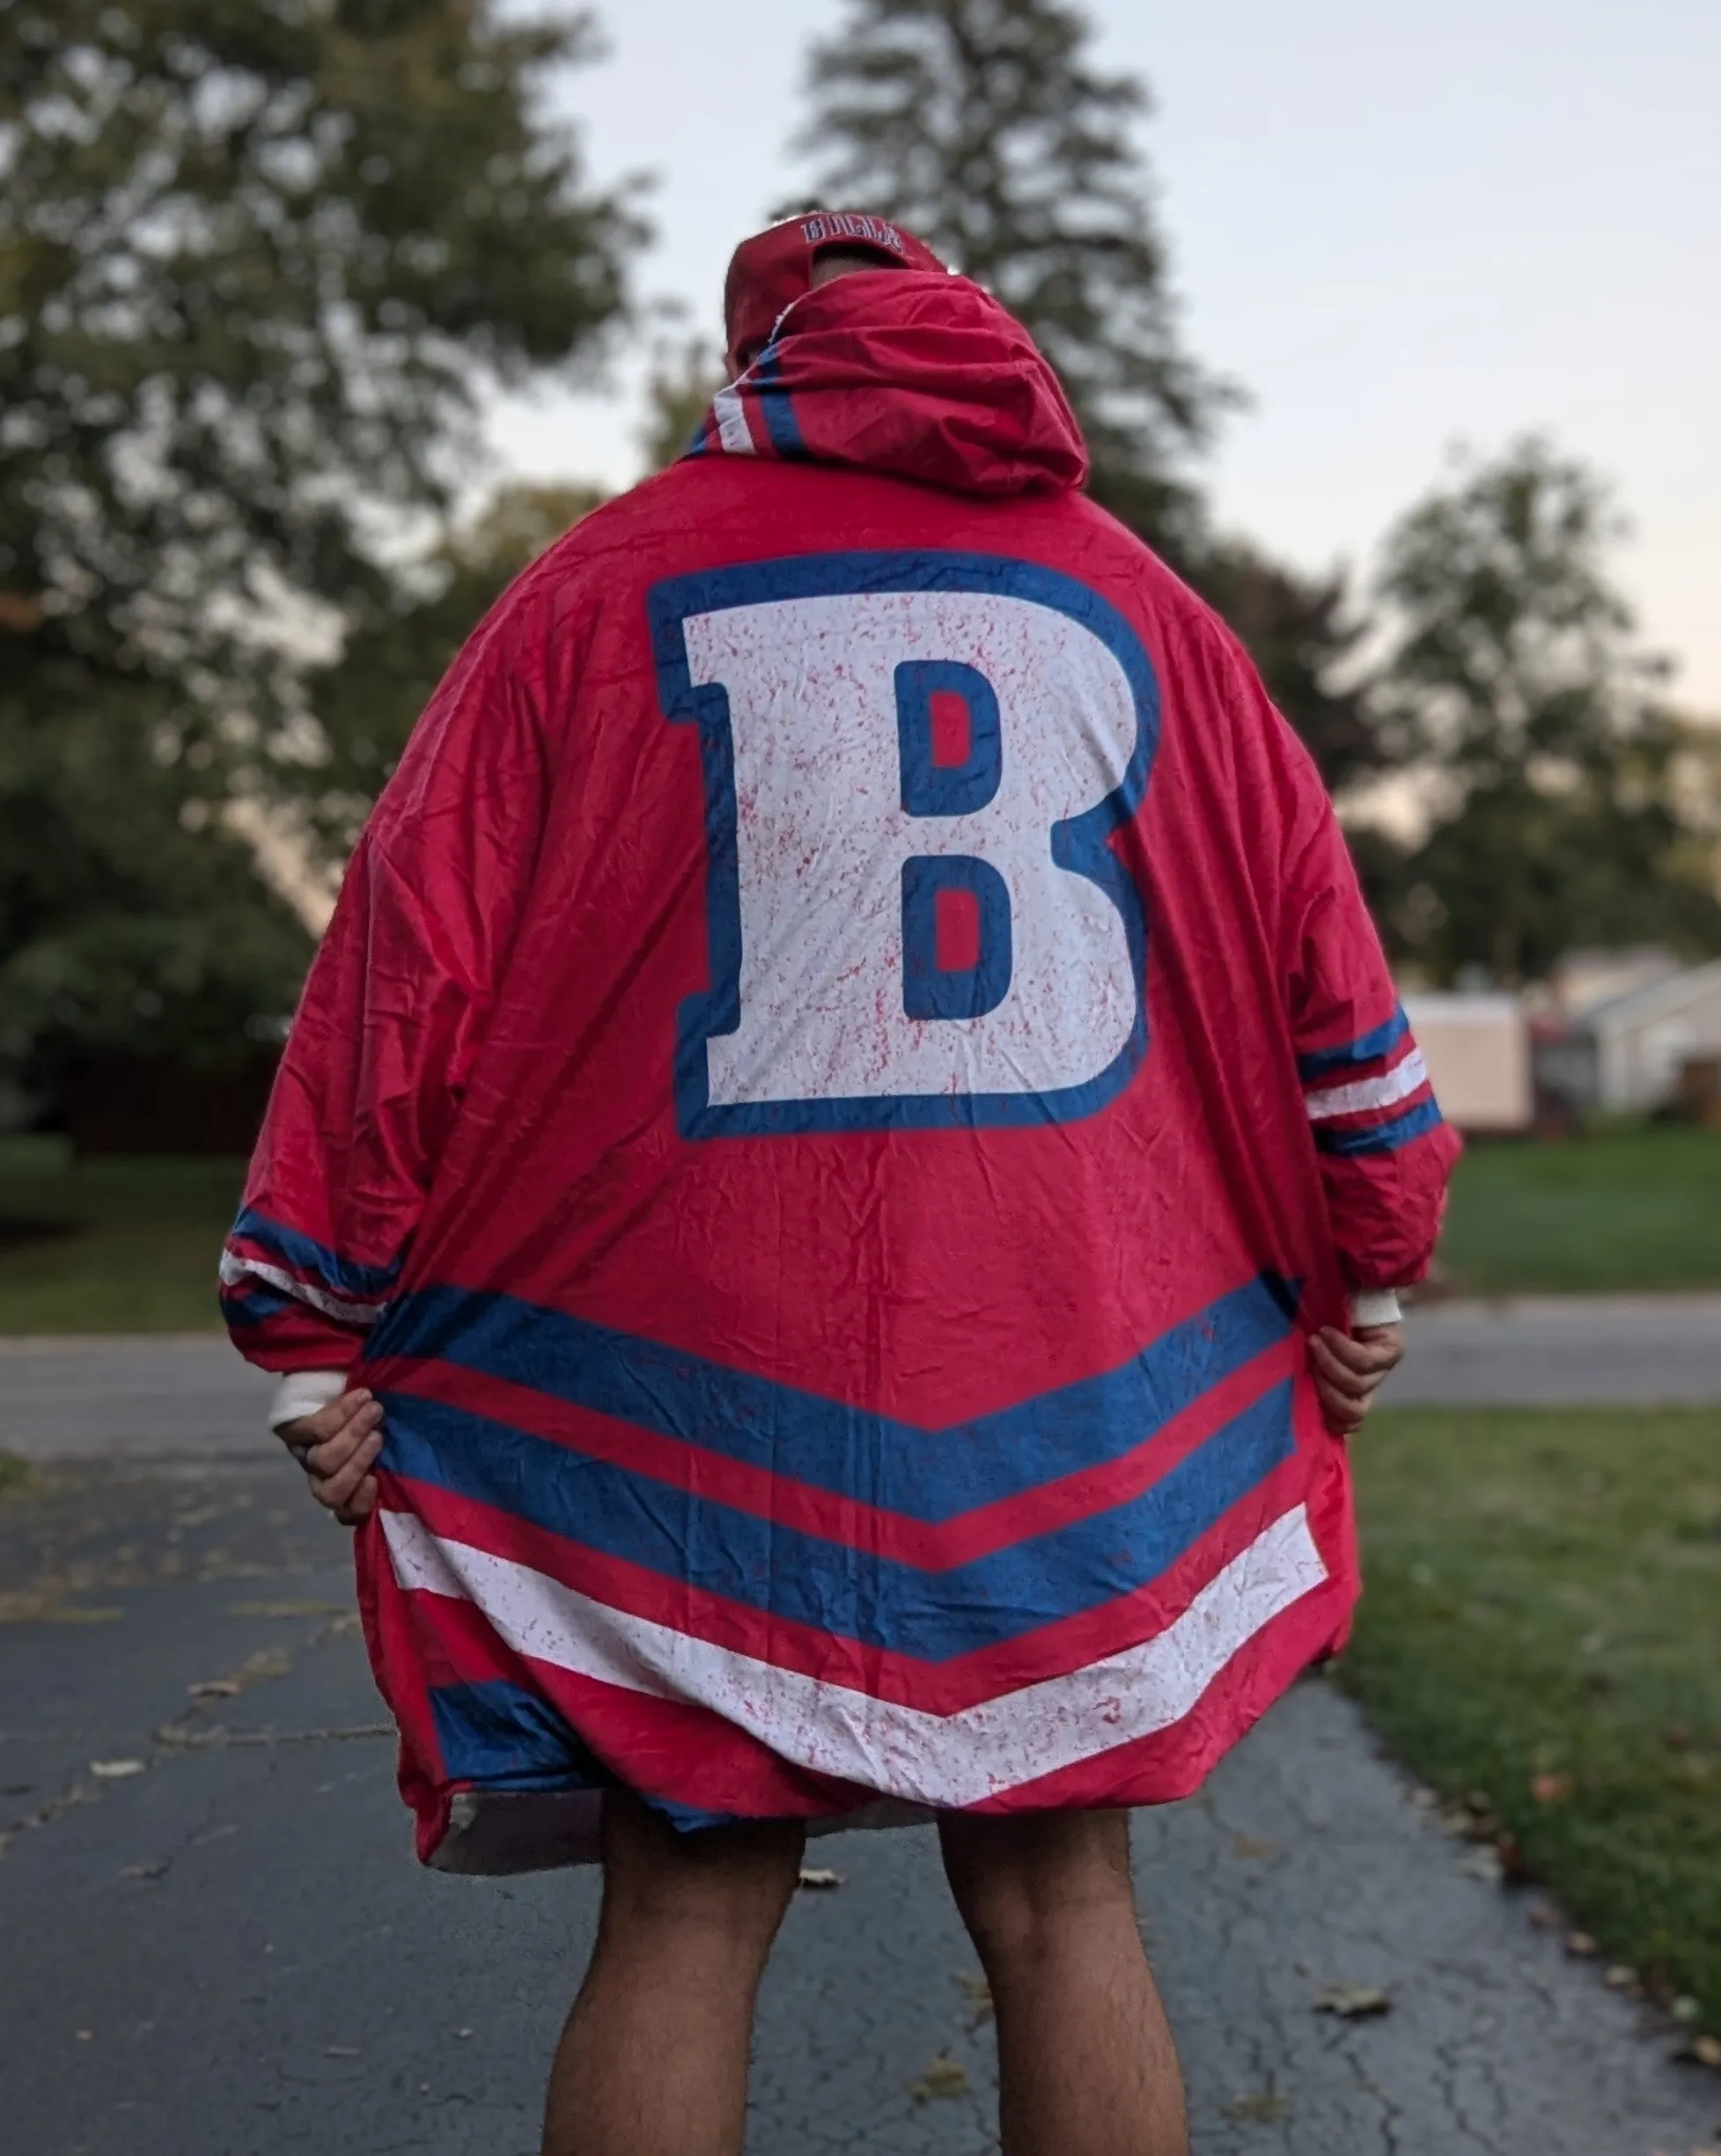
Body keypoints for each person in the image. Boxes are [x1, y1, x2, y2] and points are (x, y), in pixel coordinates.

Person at [222, 210, 1459, 2156]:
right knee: (1061, 1906)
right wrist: (1362, 1274)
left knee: (685, 1909)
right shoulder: (1147, 613)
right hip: (1065, 1359)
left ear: (764, 356)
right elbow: (1328, 984)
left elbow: (404, 965)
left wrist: (311, 1326)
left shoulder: (591, 587)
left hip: (683, 1381)